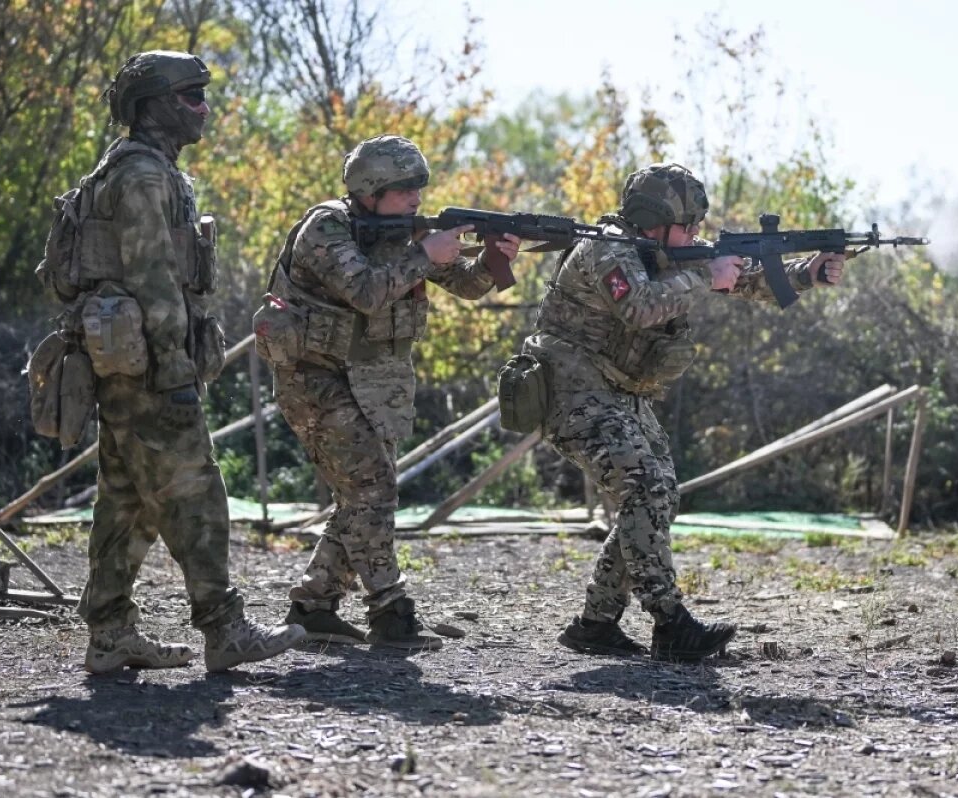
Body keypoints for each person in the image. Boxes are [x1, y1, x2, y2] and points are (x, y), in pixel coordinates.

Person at [524, 163, 846, 661]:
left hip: (619, 392)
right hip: (571, 389)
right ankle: (671, 623)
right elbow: (640, 306)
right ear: (654, 219)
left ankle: (596, 623)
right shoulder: (607, 247)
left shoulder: (667, 253)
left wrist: (808, 273)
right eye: (689, 224)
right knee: (645, 486)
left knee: (658, 495)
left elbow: (746, 280)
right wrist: (705, 277)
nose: (697, 234)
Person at [71, 51, 304, 673]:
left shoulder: (142, 169)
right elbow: (152, 281)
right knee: (196, 491)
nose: (204, 107)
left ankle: (111, 635)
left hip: (128, 362)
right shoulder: (143, 176)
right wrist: (174, 364)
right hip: (150, 364)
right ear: (154, 104)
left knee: (124, 498)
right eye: (191, 95)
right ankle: (225, 629)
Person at [259, 135, 520, 651]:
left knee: (361, 495)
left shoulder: (407, 233)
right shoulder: (327, 228)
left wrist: (493, 261)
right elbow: (366, 291)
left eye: (418, 188)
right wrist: (425, 253)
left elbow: (465, 286)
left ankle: (312, 607)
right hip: (314, 377)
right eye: (404, 191)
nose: (416, 199)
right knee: (372, 489)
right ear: (371, 191)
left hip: (376, 383)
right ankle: (390, 613)